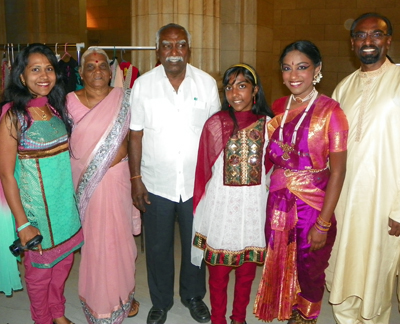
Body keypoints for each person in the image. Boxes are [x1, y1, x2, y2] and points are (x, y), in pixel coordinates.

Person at [325, 12, 400, 324]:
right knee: (342, 271)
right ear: (352, 42)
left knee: (376, 276)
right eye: (360, 35)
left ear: (388, 41)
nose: (367, 41)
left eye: (376, 35)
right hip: (344, 203)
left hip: (385, 205)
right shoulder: (343, 89)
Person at [128, 23, 220, 324]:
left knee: (196, 244)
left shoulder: (206, 84)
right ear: (158, 50)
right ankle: (161, 301)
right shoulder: (143, 85)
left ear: (188, 48)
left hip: (197, 185)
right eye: (167, 45)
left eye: (180, 44)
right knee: (157, 247)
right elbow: (136, 135)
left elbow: (216, 134)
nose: (174, 52)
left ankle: (193, 296)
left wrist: (217, 182)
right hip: (156, 183)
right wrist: (136, 179)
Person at [254, 40, 349, 324]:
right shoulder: (280, 106)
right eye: (287, 68)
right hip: (279, 198)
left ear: (317, 69)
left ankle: (307, 316)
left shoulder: (331, 111)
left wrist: (323, 221)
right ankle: (286, 306)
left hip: (313, 202)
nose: (293, 75)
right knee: (281, 257)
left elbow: (339, 171)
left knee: (310, 265)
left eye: (302, 67)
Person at [0, 43, 83, 324]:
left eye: (49, 69)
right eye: (35, 69)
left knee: (63, 265)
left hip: (65, 213)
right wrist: (23, 224)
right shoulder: (13, 118)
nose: (44, 75)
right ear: (21, 76)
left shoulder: (57, 111)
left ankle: (58, 313)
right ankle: (42, 319)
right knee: (40, 275)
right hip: (36, 218)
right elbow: (6, 175)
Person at [191, 64, 273, 324]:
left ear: (255, 90)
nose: (235, 93)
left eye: (242, 86)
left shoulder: (268, 126)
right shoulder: (216, 124)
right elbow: (203, 171)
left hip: (252, 209)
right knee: (218, 273)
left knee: (247, 272)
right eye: (229, 87)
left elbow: (272, 172)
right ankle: (218, 319)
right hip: (221, 207)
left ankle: (239, 318)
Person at [67, 48, 141, 323]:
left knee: (120, 241)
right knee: (95, 242)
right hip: (86, 187)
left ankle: (122, 297)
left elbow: (137, 136)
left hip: (119, 181)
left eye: (102, 66)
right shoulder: (67, 102)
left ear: (112, 71)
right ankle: (99, 303)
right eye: (90, 66)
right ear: (80, 72)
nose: (97, 71)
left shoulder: (125, 99)